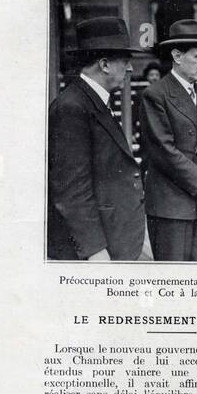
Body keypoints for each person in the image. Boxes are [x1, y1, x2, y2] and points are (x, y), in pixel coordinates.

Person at [47, 15, 145, 262]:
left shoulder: (90, 100)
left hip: (114, 239)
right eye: (125, 61)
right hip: (99, 251)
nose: (131, 68)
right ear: (104, 64)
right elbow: (72, 189)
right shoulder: (72, 106)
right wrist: (93, 250)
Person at [139, 18, 197, 261]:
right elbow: (163, 151)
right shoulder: (155, 95)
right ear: (177, 56)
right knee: (174, 283)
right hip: (171, 209)